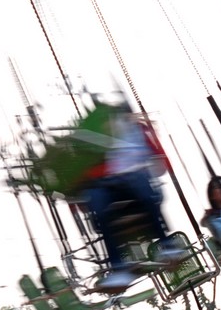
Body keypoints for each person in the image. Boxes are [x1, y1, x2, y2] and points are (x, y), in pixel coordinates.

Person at [69, 102, 185, 293]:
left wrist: (143, 162)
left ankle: (167, 245)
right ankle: (119, 268)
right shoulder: (100, 144)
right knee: (98, 200)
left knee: (138, 182)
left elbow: (160, 165)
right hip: (115, 191)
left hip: (138, 186)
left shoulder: (138, 133)